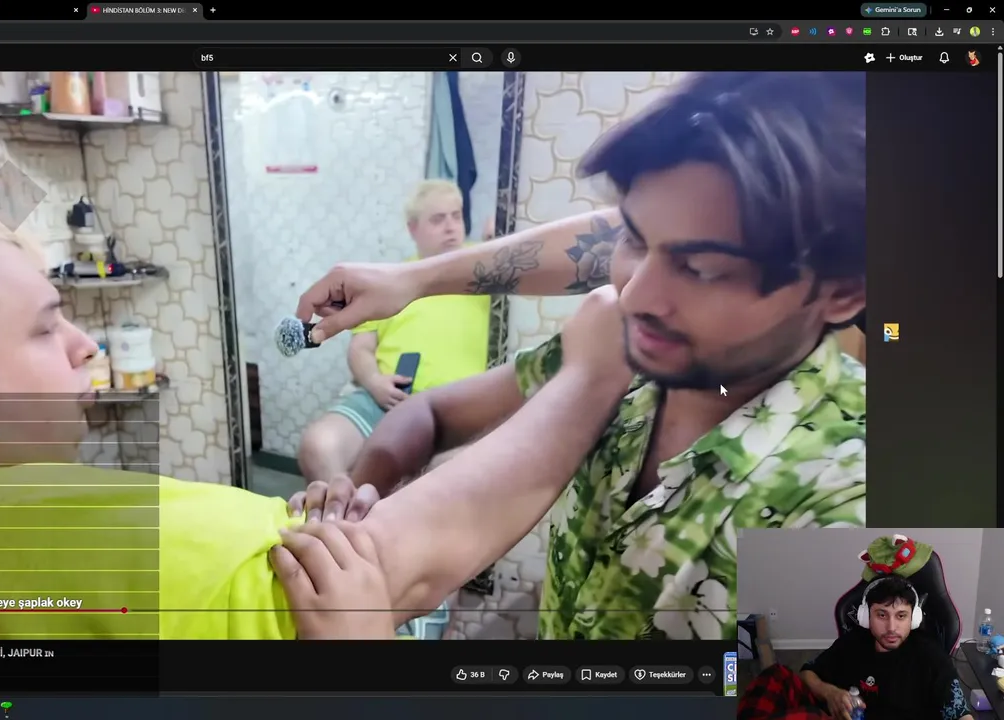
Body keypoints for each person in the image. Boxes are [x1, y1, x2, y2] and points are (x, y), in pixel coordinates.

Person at [0, 190, 626, 642]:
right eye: (47, 327)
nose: (86, 345)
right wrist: (591, 378)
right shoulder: (50, 539)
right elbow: (401, 565)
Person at [288, 72, 868, 641]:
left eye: (701, 269)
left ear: (842, 291)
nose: (634, 296)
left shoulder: (845, 505)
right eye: (634, 239)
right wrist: (355, 509)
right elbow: (432, 414)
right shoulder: (629, 348)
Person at [297, 179, 491, 488]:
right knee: (318, 446)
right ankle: (346, 510)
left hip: (457, 407)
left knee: (444, 472)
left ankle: (369, 513)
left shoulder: (484, 270)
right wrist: (374, 382)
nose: (451, 227)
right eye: (438, 219)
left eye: (456, 216)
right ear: (413, 229)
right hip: (388, 400)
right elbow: (360, 348)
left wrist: (502, 237)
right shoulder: (390, 280)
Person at [738, 576, 972, 720]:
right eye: (881, 615)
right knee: (776, 676)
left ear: (913, 619)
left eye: (901, 616)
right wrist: (830, 693)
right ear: (865, 616)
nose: (891, 627)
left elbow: (960, 714)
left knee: (809, 716)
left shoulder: (931, 657)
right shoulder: (853, 642)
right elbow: (807, 674)